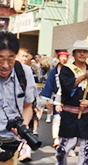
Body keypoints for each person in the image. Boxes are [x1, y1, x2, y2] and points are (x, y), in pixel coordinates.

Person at [55, 40, 88, 165]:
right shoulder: (66, 70)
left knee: (87, 149)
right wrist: (83, 77)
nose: (82, 54)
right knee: (63, 149)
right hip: (69, 115)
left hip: (87, 115)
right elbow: (66, 87)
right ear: (74, 53)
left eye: (84, 52)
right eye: (79, 52)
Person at [0, 31, 37, 164]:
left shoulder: (24, 72)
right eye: (0, 58)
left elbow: (28, 105)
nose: (5, 65)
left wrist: (24, 126)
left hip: (11, 143)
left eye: (10, 59)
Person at [41, 50, 69, 148]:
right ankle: (56, 138)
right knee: (57, 117)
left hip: (68, 98)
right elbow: (49, 84)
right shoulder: (54, 70)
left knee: (66, 118)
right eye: (62, 57)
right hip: (56, 96)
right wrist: (47, 98)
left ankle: (65, 139)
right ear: (58, 58)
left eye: (65, 57)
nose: (64, 59)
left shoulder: (70, 70)